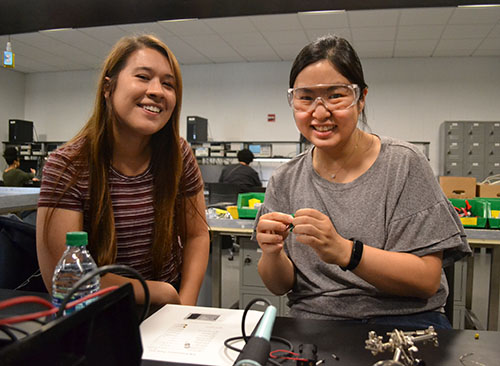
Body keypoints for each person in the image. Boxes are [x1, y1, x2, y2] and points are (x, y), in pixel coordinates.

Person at [255, 35, 471, 329]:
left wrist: (345, 251)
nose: (319, 112)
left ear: (361, 99)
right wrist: (272, 253)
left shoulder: (403, 164)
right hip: (318, 324)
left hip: (408, 323)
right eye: (305, 98)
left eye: (335, 95)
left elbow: (426, 280)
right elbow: (279, 286)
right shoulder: (285, 180)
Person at [36, 35, 210, 306]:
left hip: (167, 313)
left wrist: (183, 311)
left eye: (168, 84)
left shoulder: (178, 155)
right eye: (143, 77)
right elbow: (66, 281)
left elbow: (196, 234)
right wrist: (160, 292)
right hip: (96, 315)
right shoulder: (68, 165)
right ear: (108, 87)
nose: (157, 91)